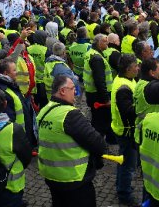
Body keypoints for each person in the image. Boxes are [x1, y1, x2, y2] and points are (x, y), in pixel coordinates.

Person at [37, 75, 107, 207]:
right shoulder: (69, 115)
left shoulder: (44, 111)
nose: (75, 92)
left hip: (52, 176)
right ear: (62, 91)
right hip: (74, 180)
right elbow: (98, 143)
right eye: (73, 88)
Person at [0, 58, 36, 147]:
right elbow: (9, 117)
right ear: (5, 73)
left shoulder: (9, 84)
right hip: (16, 138)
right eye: (14, 70)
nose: (17, 72)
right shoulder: (3, 91)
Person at [110, 54, 139, 205]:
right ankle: (124, 195)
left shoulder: (124, 80)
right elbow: (128, 111)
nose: (138, 68)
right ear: (128, 69)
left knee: (124, 162)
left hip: (122, 129)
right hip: (126, 132)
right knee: (128, 166)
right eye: (136, 66)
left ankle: (120, 186)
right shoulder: (123, 87)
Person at [83, 34, 115, 143]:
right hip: (99, 95)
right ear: (98, 43)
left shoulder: (91, 53)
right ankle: (97, 145)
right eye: (105, 41)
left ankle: (106, 140)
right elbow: (99, 81)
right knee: (100, 122)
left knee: (99, 120)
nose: (107, 43)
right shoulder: (97, 58)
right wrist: (106, 99)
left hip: (92, 93)